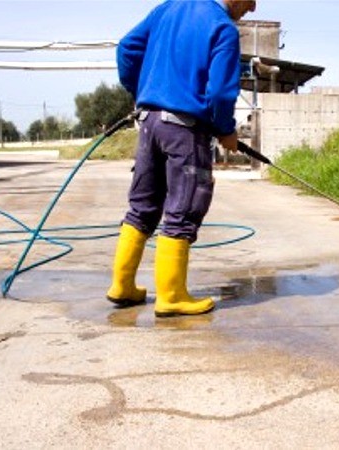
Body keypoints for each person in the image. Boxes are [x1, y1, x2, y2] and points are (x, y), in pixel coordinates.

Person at [107, 0, 257, 317]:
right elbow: (219, 94)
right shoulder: (223, 29)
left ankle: (122, 285)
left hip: (149, 123)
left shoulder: (169, 8)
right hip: (185, 132)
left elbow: (126, 49)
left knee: (143, 205)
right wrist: (225, 129)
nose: (253, 8)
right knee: (184, 206)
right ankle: (172, 295)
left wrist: (144, 93)